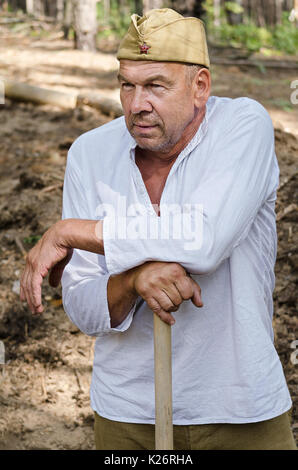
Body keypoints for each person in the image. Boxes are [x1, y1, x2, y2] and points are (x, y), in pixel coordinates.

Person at [20, 8, 296, 450]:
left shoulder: (242, 127)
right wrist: (132, 280)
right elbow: (83, 308)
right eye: (127, 84)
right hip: (128, 414)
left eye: (156, 86)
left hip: (240, 409)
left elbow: (205, 241)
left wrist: (72, 231)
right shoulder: (90, 153)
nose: (137, 104)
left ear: (200, 86)